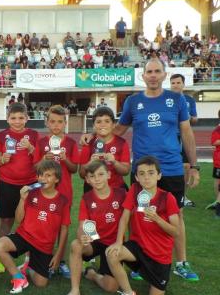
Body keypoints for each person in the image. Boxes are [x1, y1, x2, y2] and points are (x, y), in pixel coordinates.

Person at [112, 60, 199, 282]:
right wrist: (96, 139)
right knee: (137, 215)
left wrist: (194, 165)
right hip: (142, 172)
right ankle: (137, 263)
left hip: (170, 168)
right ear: (143, 76)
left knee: (176, 215)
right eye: (148, 72)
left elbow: (187, 133)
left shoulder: (177, 100)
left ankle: (180, 263)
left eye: (157, 71)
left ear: (164, 74)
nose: (152, 75)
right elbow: (119, 130)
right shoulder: (133, 102)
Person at [105, 156, 180, 295]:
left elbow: (176, 232)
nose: (147, 177)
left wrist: (157, 218)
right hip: (138, 247)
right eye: (142, 173)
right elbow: (125, 217)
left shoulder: (168, 198)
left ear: (159, 175)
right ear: (137, 178)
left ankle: (150, 276)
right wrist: (119, 242)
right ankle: (128, 294)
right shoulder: (134, 191)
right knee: (111, 253)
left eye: (151, 173)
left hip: (159, 255)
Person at [0, 160, 70, 294]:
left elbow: (64, 229)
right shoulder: (31, 194)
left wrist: (58, 255)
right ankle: (18, 277)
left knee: (41, 283)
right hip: (25, 236)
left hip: (44, 245)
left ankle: (28, 267)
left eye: (48, 175)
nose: (43, 178)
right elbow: (18, 220)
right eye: (40, 175)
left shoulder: (62, 201)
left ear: (57, 179)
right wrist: (22, 199)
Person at [59, 161, 126, 295]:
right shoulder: (86, 198)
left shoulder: (121, 194)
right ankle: (75, 290)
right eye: (92, 176)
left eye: (101, 174)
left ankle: (92, 274)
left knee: (111, 287)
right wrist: (82, 237)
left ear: (108, 175)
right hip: (95, 241)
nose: (97, 179)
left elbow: (130, 220)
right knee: (76, 245)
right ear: (87, 180)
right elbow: (82, 225)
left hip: (114, 245)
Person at [32, 105, 79, 277]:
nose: (56, 125)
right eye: (52, 121)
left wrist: (65, 160)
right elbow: (35, 168)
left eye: (60, 122)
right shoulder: (42, 143)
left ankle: (62, 260)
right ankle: (46, 258)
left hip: (64, 192)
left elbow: (75, 169)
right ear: (47, 123)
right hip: (44, 193)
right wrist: (44, 159)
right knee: (45, 225)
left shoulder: (71, 143)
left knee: (62, 227)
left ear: (65, 123)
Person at [0, 102, 39, 271]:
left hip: (30, 184)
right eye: (13, 118)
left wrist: (32, 148)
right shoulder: (2, 134)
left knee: (29, 222)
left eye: (21, 118)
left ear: (27, 118)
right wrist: (2, 158)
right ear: (7, 119)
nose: (17, 121)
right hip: (7, 183)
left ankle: (29, 258)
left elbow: (39, 160)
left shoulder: (34, 135)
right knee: (5, 220)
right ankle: (0, 258)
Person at [78, 106, 130, 193]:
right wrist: (90, 163)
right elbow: (82, 174)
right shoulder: (88, 143)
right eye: (98, 122)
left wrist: (114, 162)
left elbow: (125, 171)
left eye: (107, 121)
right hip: (93, 190)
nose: (103, 125)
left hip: (116, 189)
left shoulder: (122, 143)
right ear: (94, 125)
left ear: (113, 125)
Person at [169, 74, 198, 208]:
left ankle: (183, 196)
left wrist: (189, 118)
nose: (175, 85)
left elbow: (195, 118)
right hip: (170, 137)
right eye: (173, 83)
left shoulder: (189, 100)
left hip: (184, 137)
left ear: (183, 84)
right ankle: (165, 195)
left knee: (186, 166)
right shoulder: (166, 99)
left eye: (178, 82)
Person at [209, 110, 220, 217]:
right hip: (219, 161)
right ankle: (217, 202)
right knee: (218, 181)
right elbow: (214, 141)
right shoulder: (218, 129)